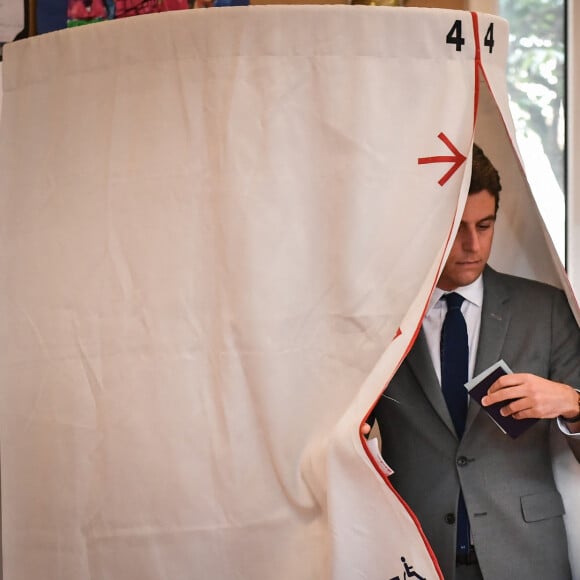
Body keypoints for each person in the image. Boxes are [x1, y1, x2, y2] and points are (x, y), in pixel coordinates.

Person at [366, 144, 580, 580]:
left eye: (485, 225)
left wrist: (573, 404)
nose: (472, 245)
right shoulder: (382, 319)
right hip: (414, 553)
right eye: (456, 228)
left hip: (527, 555)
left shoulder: (547, 310)